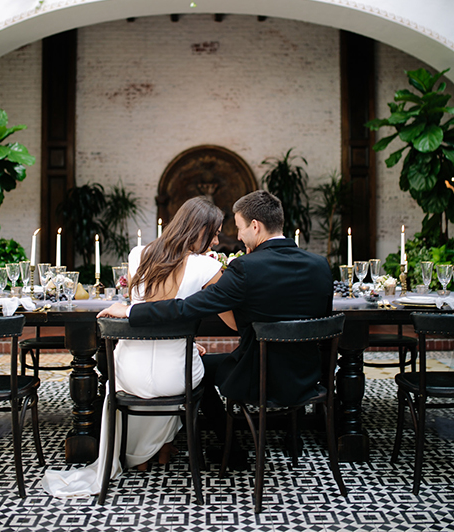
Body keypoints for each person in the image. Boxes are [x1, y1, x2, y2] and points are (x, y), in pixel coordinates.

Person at [98, 190, 333, 450]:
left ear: (255, 226)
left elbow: (185, 308)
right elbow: (319, 321)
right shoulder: (320, 265)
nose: (238, 237)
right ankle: (293, 434)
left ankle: (230, 447)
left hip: (259, 376)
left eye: (240, 228)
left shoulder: (246, 268)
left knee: (199, 368)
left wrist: (132, 310)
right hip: (309, 377)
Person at [42, 197, 229, 497]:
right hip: (176, 375)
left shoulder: (138, 255)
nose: (218, 241)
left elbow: (144, 308)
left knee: (162, 369)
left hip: (128, 375)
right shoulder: (207, 266)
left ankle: (141, 455)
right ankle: (162, 448)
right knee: (184, 372)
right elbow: (231, 319)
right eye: (215, 233)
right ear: (200, 232)